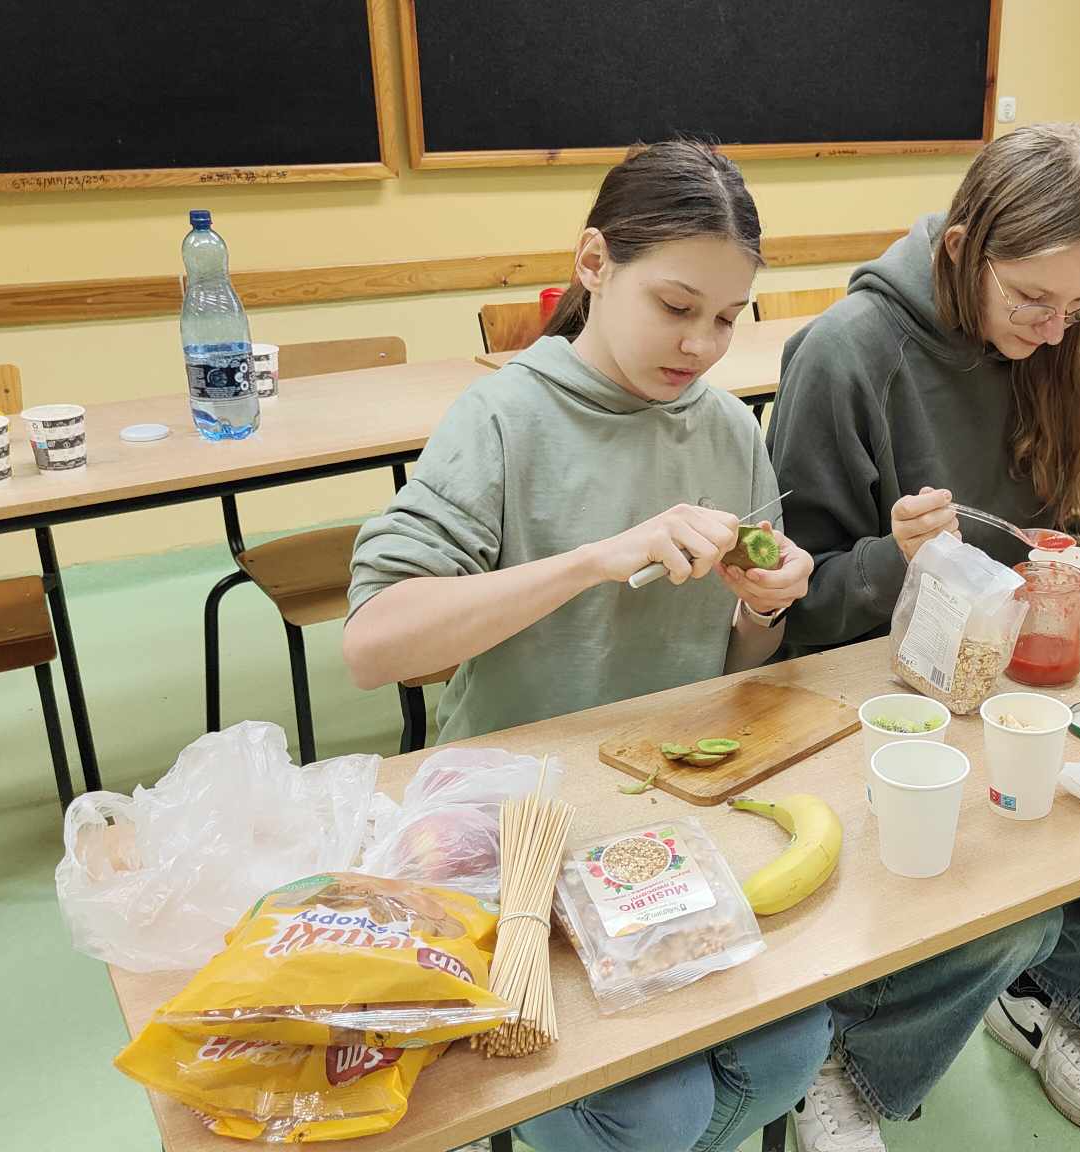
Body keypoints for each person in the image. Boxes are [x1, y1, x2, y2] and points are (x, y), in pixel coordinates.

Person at [768, 123, 1080, 1151]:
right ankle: (841, 1062)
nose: (1056, 329)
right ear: (960, 249)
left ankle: (1056, 1010)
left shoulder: (1062, 346)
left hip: (1022, 689)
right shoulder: (848, 354)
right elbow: (789, 614)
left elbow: (1075, 528)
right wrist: (898, 559)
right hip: (879, 700)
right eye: (1033, 299)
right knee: (1009, 903)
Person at [344, 140, 828, 1152]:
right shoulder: (504, 417)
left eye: (726, 318)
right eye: (675, 305)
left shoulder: (726, 427)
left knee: (791, 1050)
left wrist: (764, 607)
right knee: (650, 1111)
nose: (700, 345)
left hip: (663, 807)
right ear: (594, 263)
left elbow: (736, 670)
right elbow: (375, 644)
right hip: (514, 821)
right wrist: (590, 560)